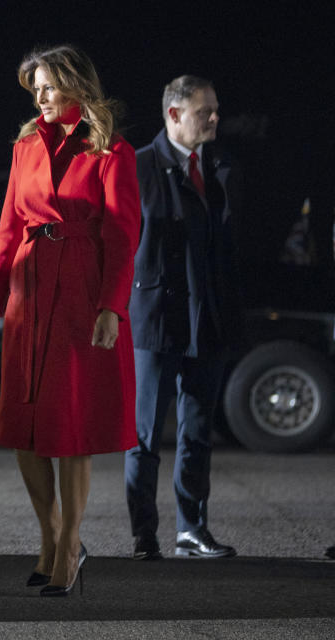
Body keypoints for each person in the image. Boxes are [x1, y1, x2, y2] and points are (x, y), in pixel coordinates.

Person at [0, 44, 139, 597]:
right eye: (35, 87)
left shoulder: (113, 151)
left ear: (76, 86)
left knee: (69, 427)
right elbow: (7, 228)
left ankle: (70, 545)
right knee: (25, 423)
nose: (40, 96)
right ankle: (48, 536)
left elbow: (121, 238)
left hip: (80, 298)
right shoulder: (25, 148)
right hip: (28, 292)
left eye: (48, 85)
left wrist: (112, 308)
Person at [124, 75, 241, 560]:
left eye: (215, 109)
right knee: (145, 435)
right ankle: (144, 536)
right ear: (173, 115)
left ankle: (191, 530)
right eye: (204, 111)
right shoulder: (138, 168)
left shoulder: (218, 168)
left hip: (205, 319)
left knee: (197, 432)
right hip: (155, 321)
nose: (215, 118)